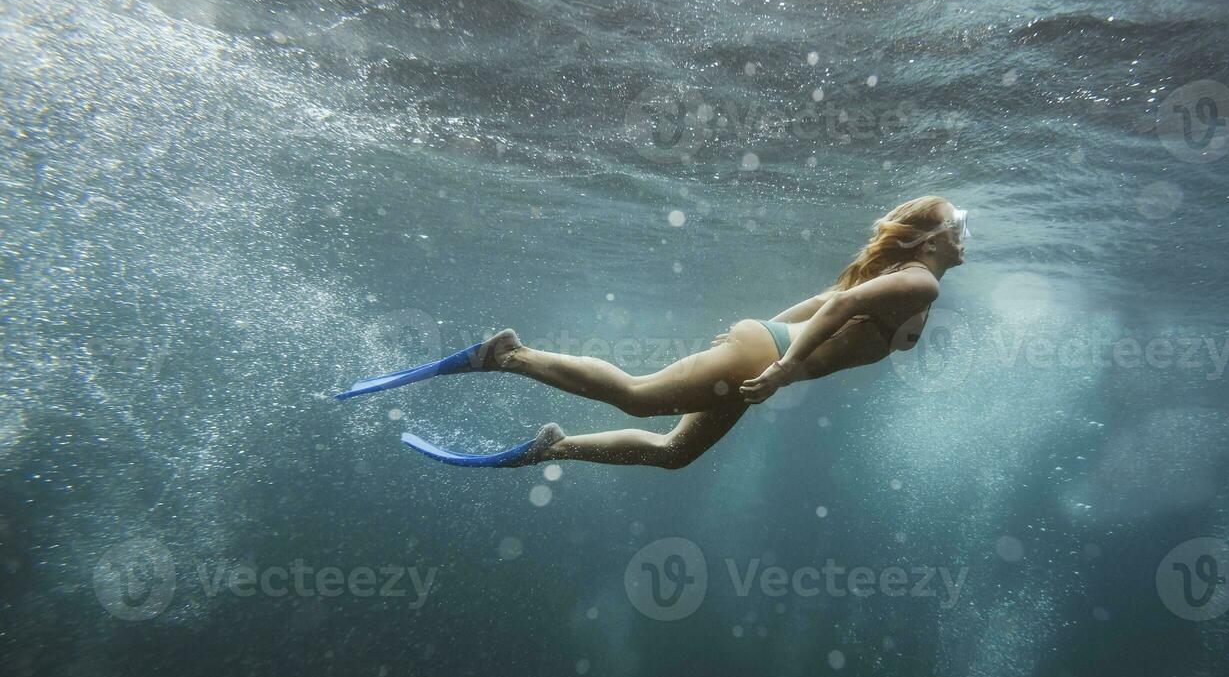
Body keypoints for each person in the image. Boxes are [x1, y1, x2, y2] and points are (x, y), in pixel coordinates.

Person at [338, 195, 968, 468]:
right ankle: (510, 355)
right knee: (637, 394)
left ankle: (552, 447)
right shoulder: (923, 281)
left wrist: (768, 342)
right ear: (933, 237)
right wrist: (775, 362)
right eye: (959, 224)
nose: (966, 235)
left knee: (674, 455)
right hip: (763, 360)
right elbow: (833, 311)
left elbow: (825, 300)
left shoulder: (909, 276)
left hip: (764, 352)